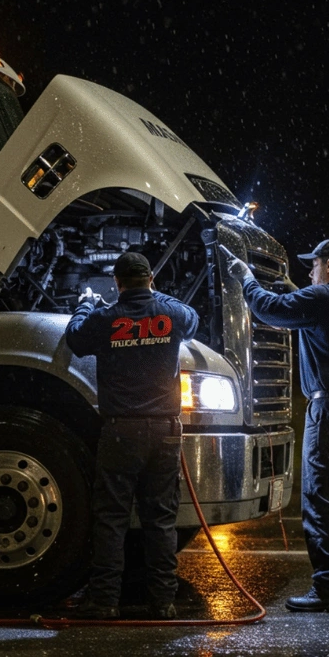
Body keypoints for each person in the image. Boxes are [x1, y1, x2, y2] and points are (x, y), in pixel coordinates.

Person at [221, 239, 329, 613]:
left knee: (321, 500)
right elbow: (317, 317)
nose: (310, 272)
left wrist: (246, 278)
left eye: (314, 265)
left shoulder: (323, 299)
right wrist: (293, 289)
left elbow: (269, 311)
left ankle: (328, 591)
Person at [65, 252, 199, 619]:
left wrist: (86, 305)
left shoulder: (106, 319)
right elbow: (193, 319)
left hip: (121, 431)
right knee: (160, 520)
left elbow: (75, 339)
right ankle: (163, 602)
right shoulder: (170, 314)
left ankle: (105, 601)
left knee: (111, 519)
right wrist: (157, 299)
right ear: (151, 279)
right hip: (165, 433)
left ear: (117, 282)